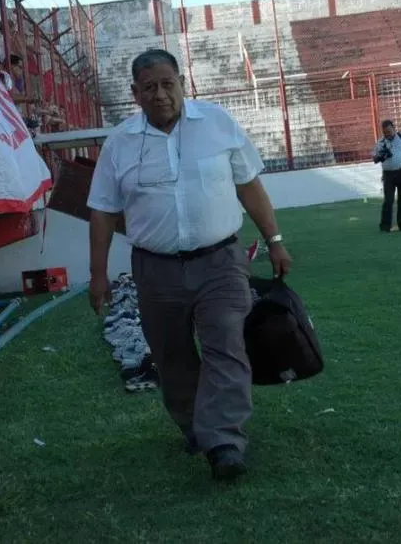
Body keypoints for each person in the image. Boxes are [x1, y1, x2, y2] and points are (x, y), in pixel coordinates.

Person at [86, 49, 292, 482]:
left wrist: (274, 240)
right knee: (172, 356)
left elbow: (248, 185)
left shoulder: (217, 124)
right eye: (149, 87)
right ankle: (194, 427)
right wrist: (99, 274)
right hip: (155, 270)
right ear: (134, 94)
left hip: (219, 261)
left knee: (226, 344)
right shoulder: (120, 143)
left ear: (183, 83)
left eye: (168, 84)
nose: (160, 94)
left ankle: (223, 441)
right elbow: (103, 211)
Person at [372, 120, 401, 233]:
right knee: (388, 200)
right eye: (385, 132)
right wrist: (380, 156)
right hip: (388, 175)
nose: (387, 134)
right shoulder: (381, 142)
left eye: (389, 131)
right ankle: (385, 227)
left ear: (394, 128)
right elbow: (374, 158)